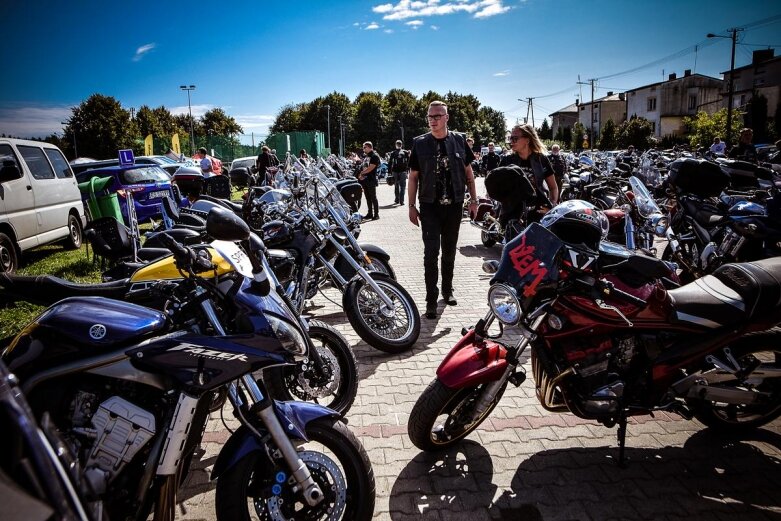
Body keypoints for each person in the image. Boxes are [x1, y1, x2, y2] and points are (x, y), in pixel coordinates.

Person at [408, 100, 477, 319]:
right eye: (430, 116)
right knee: (431, 254)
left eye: (437, 116)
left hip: (454, 206)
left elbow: (469, 174)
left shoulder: (459, 141)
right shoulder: (419, 144)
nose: (433, 120)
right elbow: (413, 178)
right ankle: (431, 300)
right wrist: (411, 206)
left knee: (448, 252)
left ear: (446, 117)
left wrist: (474, 200)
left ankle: (447, 291)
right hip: (429, 207)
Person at [500, 123, 559, 215]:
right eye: (510, 138)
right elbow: (497, 186)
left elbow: (553, 187)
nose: (511, 142)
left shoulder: (541, 159)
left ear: (527, 140)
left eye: (515, 138)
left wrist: (551, 206)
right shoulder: (507, 160)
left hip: (537, 210)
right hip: (513, 212)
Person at [359, 141, 381, 220]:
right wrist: (361, 175)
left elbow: (371, 168)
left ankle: (376, 214)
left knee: (373, 198)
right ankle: (370, 213)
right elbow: (364, 167)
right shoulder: (366, 156)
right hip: (365, 180)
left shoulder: (374, 156)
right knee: (368, 198)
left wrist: (362, 173)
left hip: (371, 180)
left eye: (364, 147)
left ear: (369, 147)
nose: (363, 149)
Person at [388, 139, 410, 205]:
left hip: (395, 171)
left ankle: (397, 199)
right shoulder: (405, 152)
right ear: (401, 145)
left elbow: (390, 162)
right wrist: (407, 170)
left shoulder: (393, 153)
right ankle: (402, 200)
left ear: (396, 145)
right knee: (403, 186)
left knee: (396, 186)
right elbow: (409, 161)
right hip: (403, 171)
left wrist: (389, 172)